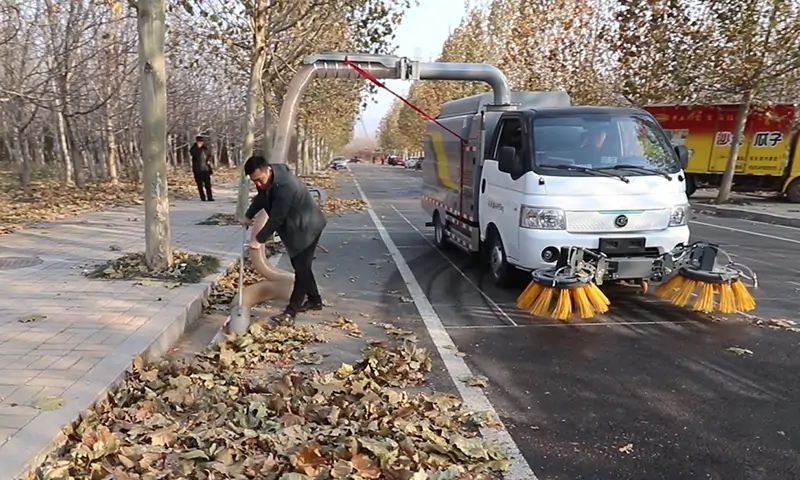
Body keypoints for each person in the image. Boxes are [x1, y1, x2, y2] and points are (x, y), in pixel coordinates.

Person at [241, 155, 328, 325]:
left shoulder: (286, 185)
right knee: (301, 266)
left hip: (307, 227)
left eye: (260, 180)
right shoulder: (267, 179)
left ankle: (290, 312)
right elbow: (261, 198)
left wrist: (259, 239)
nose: (259, 184)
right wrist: (248, 215)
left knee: (301, 270)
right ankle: (315, 300)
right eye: (254, 181)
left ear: (268, 170)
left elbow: (276, 218)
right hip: (294, 227)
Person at [189, 135, 214, 201]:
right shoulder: (193, 149)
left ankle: (210, 197)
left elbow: (210, 155)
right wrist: (198, 148)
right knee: (199, 184)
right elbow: (194, 154)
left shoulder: (206, 148)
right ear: (197, 142)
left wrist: (209, 160)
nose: (200, 143)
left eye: (201, 142)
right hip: (197, 169)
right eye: (199, 142)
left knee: (208, 184)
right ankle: (202, 197)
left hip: (206, 169)